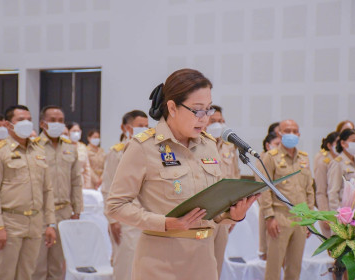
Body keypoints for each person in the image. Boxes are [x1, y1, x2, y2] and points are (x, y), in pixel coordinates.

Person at [106, 69, 258, 280]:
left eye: (208, 109)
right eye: (197, 110)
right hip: (160, 262)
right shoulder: (143, 147)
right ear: (172, 108)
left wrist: (232, 216)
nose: (205, 119)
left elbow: (213, 208)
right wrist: (165, 223)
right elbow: (115, 205)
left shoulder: (208, 145)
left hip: (204, 259)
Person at [0, 105, 56, 280]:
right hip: (10, 222)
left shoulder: (38, 151)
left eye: (29, 119)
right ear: (9, 125)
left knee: (27, 273)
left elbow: (47, 190)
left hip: (35, 222)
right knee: (6, 274)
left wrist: (50, 224)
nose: (26, 123)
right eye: (20, 120)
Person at [259, 119, 314, 280]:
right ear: (279, 133)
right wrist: (269, 216)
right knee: (274, 267)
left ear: (299, 134)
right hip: (279, 217)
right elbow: (264, 188)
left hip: (300, 218)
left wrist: (309, 218)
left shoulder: (303, 158)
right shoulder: (271, 157)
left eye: (294, 131)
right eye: (287, 131)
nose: (291, 134)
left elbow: (309, 190)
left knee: (295, 267)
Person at [33, 105, 83, 280]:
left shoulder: (70, 147)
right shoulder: (33, 147)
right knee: (37, 266)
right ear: (42, 123)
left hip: (63, 212)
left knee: (57, 265)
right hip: (38, 213)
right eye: (52, 120)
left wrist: (77, 210)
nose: (57, 124)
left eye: (61, 121)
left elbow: (76, 180)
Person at [101, 110, 148, 280]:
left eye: (146, 126)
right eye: (139, 126)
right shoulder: (117, 153)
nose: (144, 129)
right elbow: (107, 188)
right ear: (125, 128)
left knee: (145, 267)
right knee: (125, 266)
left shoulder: (150, 151)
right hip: (125, 219)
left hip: (147, 216)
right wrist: (113, 220)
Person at [205, 104, 240, 277]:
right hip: (203, 213)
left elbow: (235, 178)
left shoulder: (229, 147)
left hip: (224, 213)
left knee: (218, 262)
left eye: (221, 121)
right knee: (201, 262)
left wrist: (233, 212)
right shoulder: (198, 145)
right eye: (213, 121)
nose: (218, 125)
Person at [257, 131, 281, 260]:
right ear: (268, 145)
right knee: (271, 255)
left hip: (286, 212)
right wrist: (269, 215)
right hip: (270, 210)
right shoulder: (264, 160)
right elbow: (263, 190)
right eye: (277, 144)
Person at [327, 128, 355, 211]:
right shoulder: (337, 163)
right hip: (346, 210)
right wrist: (338, 215)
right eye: (353, 141)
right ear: (343, 143)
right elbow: (333, 193)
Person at [313, 131, 339, 237]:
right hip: (330, 211)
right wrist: (325, 215)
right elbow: (320, 192)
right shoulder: (323, 162)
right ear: (329, 145)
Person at [67, 122, 92, 189]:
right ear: (68, 132)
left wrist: (87, 184)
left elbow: (87, 168)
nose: (76, 133)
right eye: (74, 131)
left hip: (80, 181)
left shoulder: (82, 147)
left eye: (78, 131)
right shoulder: (64, 146)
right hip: (67, 180)